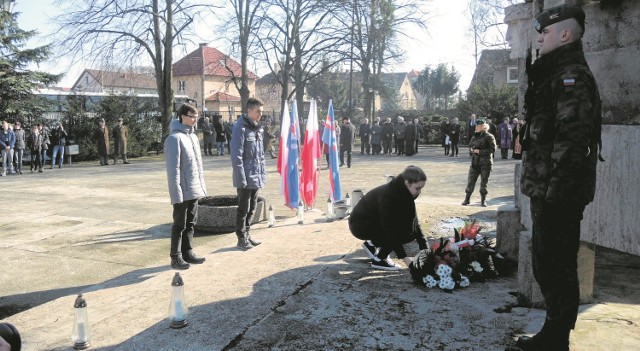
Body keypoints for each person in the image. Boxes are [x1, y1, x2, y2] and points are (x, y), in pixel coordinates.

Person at [517, 5, 603, 351]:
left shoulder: (571, 77)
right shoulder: (553, 74)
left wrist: (557, 193)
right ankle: (552, 334)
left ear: (565, 34)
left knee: (558, 264)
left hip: (558, 192)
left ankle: (556, 339)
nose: (540, 38)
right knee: (545, 260)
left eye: (546, 33)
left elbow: (573, 139)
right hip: (546, 187)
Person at [348, 165, 428, 271]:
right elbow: (390, 230)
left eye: (421, 188)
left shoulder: (405, 192)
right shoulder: (388, 195)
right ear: (407, 183)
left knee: (409, 231)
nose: (419, 192)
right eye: (417, 188)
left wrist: (425, 249)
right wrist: (408, 262)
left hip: (374, 221)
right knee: (402, 232)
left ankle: (372, 244)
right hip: (360, 225)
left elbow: (414, 221)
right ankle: (380, 259)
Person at [164, 103, 207, 270]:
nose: (195, 119)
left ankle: (187, 251)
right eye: (191, 116)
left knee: (191, 223)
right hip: (182, 190)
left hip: (193, 188)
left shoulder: (193, 137)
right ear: (182, 116)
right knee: (179, 224)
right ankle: (175, 256)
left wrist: (201, 187)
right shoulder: (174, 139)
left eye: (196, 116)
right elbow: (173, 170)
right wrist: (176, 194)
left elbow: (198, 166)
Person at [231, 98, 267, 250]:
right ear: (249, 111)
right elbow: (236, 155)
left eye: (261, 112)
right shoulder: (241, 128)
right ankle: (241, 237)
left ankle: (247, 234)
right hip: (245, 176)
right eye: (258, 111)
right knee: (243, 208)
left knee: (252, 207)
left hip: (255, 176)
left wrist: (262, 175)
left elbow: (260, 156)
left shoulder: (257, 128)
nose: (260, 114)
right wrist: (241, 178)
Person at [461, 119, 496, 207]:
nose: (476, 127)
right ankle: (467, 199)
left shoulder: (489, 136)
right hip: (475, 163)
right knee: (471, 181)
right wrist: (471, 150)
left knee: (484, 183)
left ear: (483, 127)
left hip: (485, 163)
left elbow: (493, 149)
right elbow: (470, 146)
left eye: (478, 126)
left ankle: (483, 201)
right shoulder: (474, 136)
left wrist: (479, 151)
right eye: (476, 126)